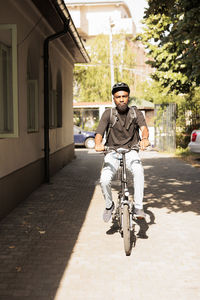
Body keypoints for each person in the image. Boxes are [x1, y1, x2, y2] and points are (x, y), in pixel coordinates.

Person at [95, 82, 150, 222]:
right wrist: (97, 144)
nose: (121, 99)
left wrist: (144, 139)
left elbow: (144, 128)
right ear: (114, 98)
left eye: (124, 96)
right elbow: (99, 133)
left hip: (131, 151)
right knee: (105, 179)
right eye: (118, 96)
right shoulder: (108, 114)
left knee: (138, 171)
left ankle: (138, 207)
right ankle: (109, 205)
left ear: (128, 97)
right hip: (112, 151)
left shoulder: (135, 113)